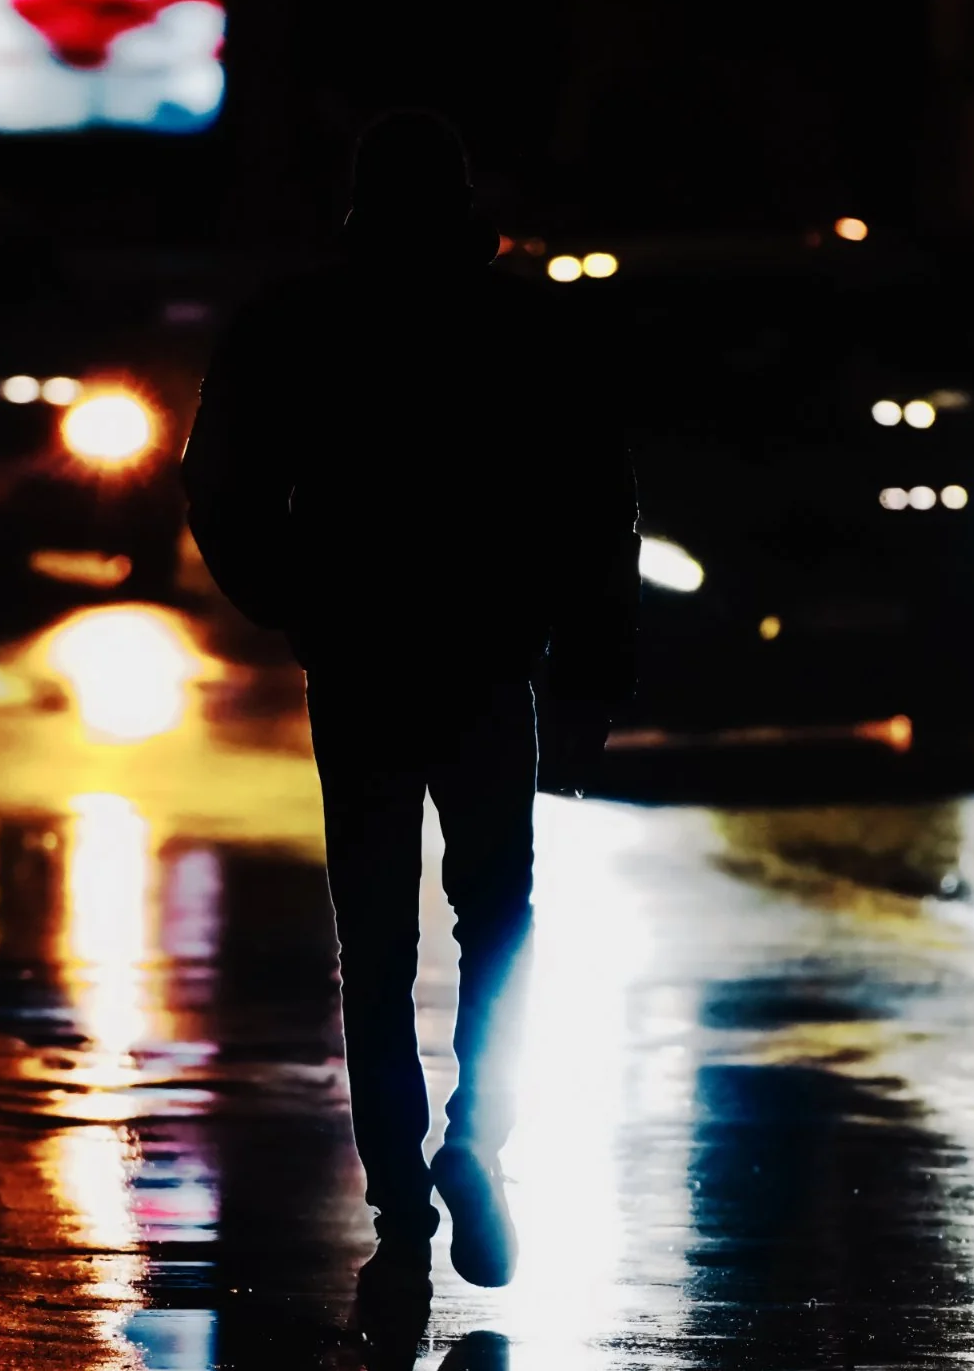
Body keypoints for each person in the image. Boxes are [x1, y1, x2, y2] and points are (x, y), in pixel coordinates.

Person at [182, 110, 639, 1296]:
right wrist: (586, 674)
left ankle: (399, 1204)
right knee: (497, 922)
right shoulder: (529, 325)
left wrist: (291, 597)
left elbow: (221, 484)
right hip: (490, 662)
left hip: (363, 662)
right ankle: (475, 1138)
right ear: (465, 204)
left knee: (373, 948)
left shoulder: (298, 323)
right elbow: (599, 510)